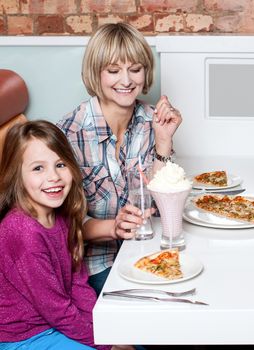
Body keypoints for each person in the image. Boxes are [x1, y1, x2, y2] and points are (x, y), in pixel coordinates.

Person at [57, 23, 182, 295]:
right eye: (113, 71)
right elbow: (60, 224)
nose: (126, 81)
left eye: (135, 69)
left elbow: (163, 206)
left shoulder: (152, 121)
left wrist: (164, 141)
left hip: (149, 250)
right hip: (97, 264)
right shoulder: (69, 132)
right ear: (96, 73)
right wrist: (113, 227)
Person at [0, 121, 110, 349]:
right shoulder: (23, 232)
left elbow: (78, 284)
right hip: (26, 336)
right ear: (17, 175)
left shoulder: (62, 216)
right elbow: (56, 310)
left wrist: (104, 331)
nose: (54, 177)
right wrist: (105, 344)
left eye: (60, 165)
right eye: (38, 168)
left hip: (58, 322)